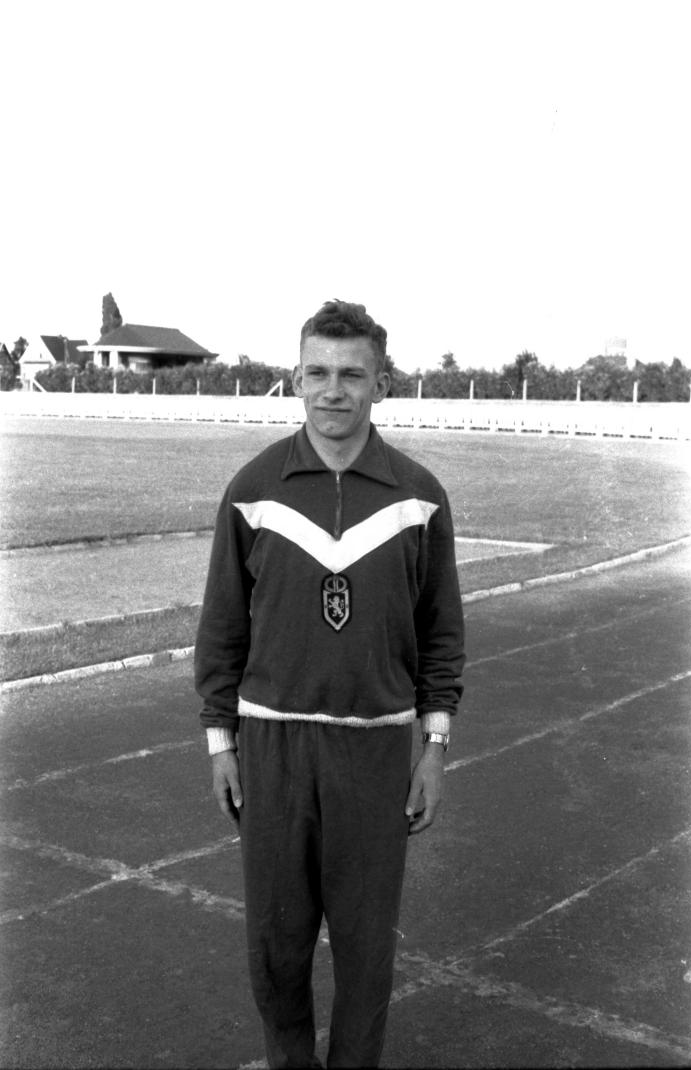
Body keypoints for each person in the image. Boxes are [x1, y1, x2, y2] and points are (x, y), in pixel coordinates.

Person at [195, 300, 465, 1069]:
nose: (333, 390)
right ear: (296, 379)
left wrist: (435, 746)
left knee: (365, 952)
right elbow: (222, 626)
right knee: (277, 949)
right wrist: (221, 740)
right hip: (271, 746)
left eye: (352, 374)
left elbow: (443, 636)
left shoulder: (419, 496)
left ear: (382, 383)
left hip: (376, 753)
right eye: (317, 372)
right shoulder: (253, 489)